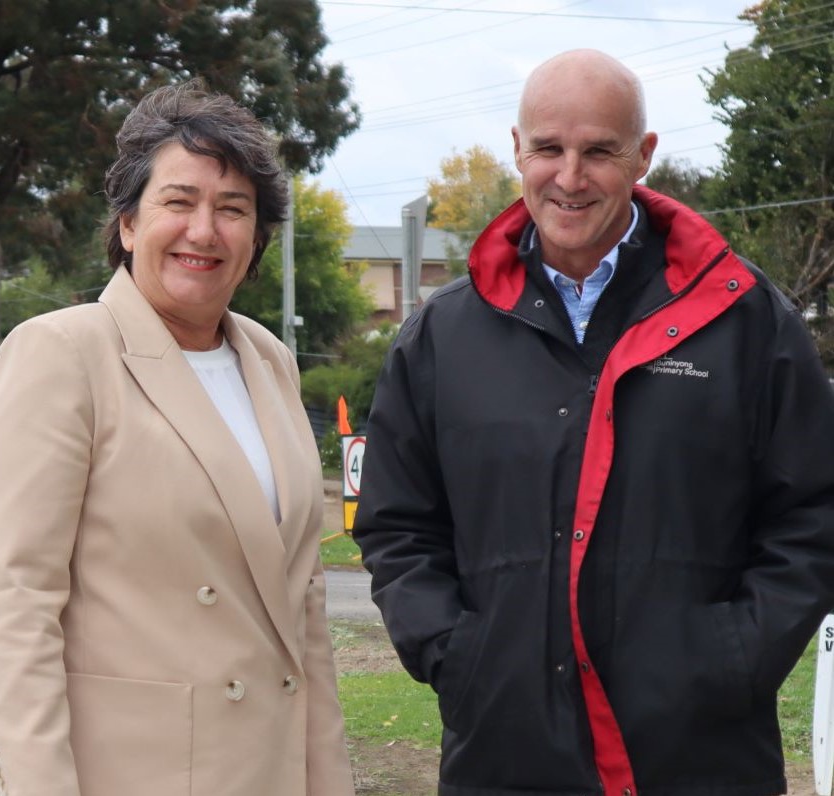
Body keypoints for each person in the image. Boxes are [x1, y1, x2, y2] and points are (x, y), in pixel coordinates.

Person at [352, 48, 834, 796]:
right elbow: (397, 523)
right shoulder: (444, 337)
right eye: (548, 149)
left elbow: (813, 513)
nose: (569, 178)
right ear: (517, 150)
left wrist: (732, 656)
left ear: (643, 157)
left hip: (701, 762)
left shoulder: (744, 320)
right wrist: (461, 655)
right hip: (502, 761)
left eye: (599, 152)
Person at [0, 80, 356, 796]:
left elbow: (302, 613)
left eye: (232, 209)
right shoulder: (62, 354)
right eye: (178, 202)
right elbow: (17, 611)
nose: (204, 231)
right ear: (127, 224)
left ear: (258, 236)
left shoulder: (269, 361)